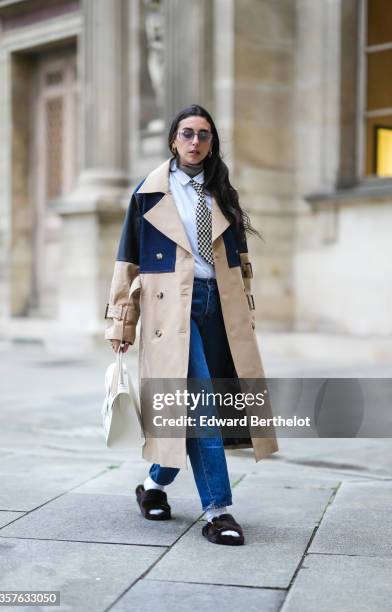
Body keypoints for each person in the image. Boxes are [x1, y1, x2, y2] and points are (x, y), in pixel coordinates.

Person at [105, 104, 278, 546]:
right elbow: (127, 260)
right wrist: (122, 324)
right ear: (173, 140)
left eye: (204, 135)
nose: (195, 142)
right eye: (187, 133)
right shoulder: (148, 193)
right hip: (171, 312)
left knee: (199, 405)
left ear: (211, 142)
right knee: (200, 403)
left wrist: (246, 314)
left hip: (218, 307)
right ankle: (219, 510)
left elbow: (241, 263)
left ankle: (154, 485)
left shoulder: (223, 193)